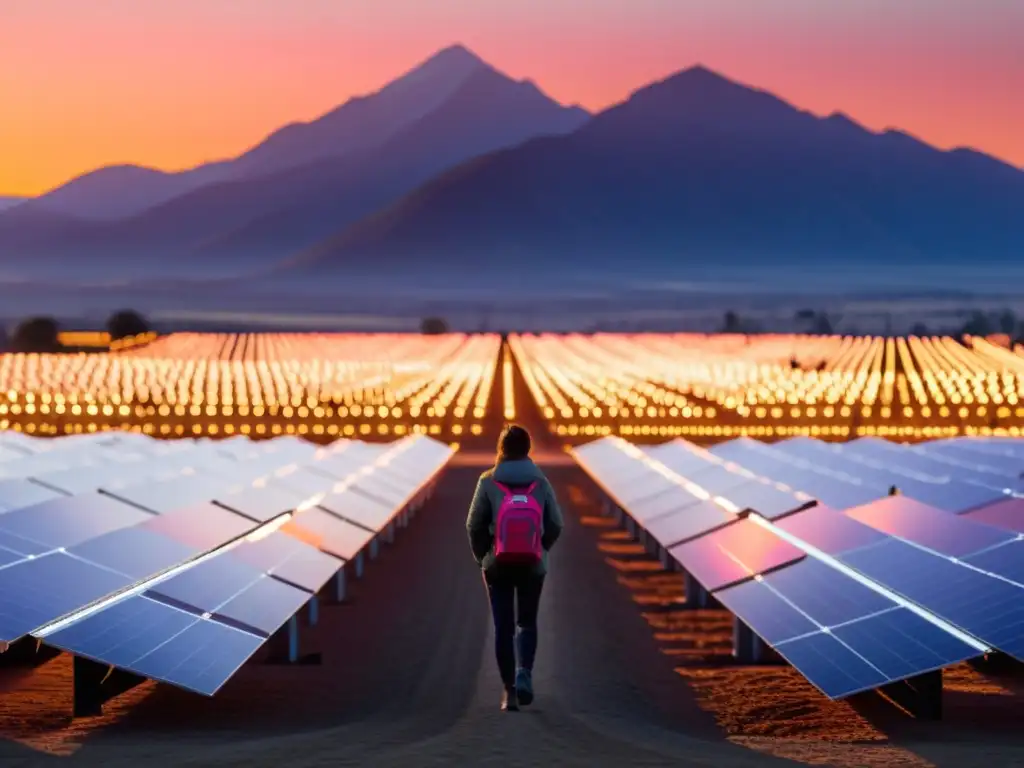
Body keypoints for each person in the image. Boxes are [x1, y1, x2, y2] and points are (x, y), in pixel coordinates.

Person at [466, 424, 564, 711]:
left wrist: (483, 556)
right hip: (533, 564)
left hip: (497, 564)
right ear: (528, 449)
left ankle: (509, 691)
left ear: (502, 448)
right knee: (527, 622)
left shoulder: (488, 481)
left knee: (503, 627)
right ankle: (525, 673)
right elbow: (556, 523)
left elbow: (473, 525)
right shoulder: (541, 482)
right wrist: (541, 547)